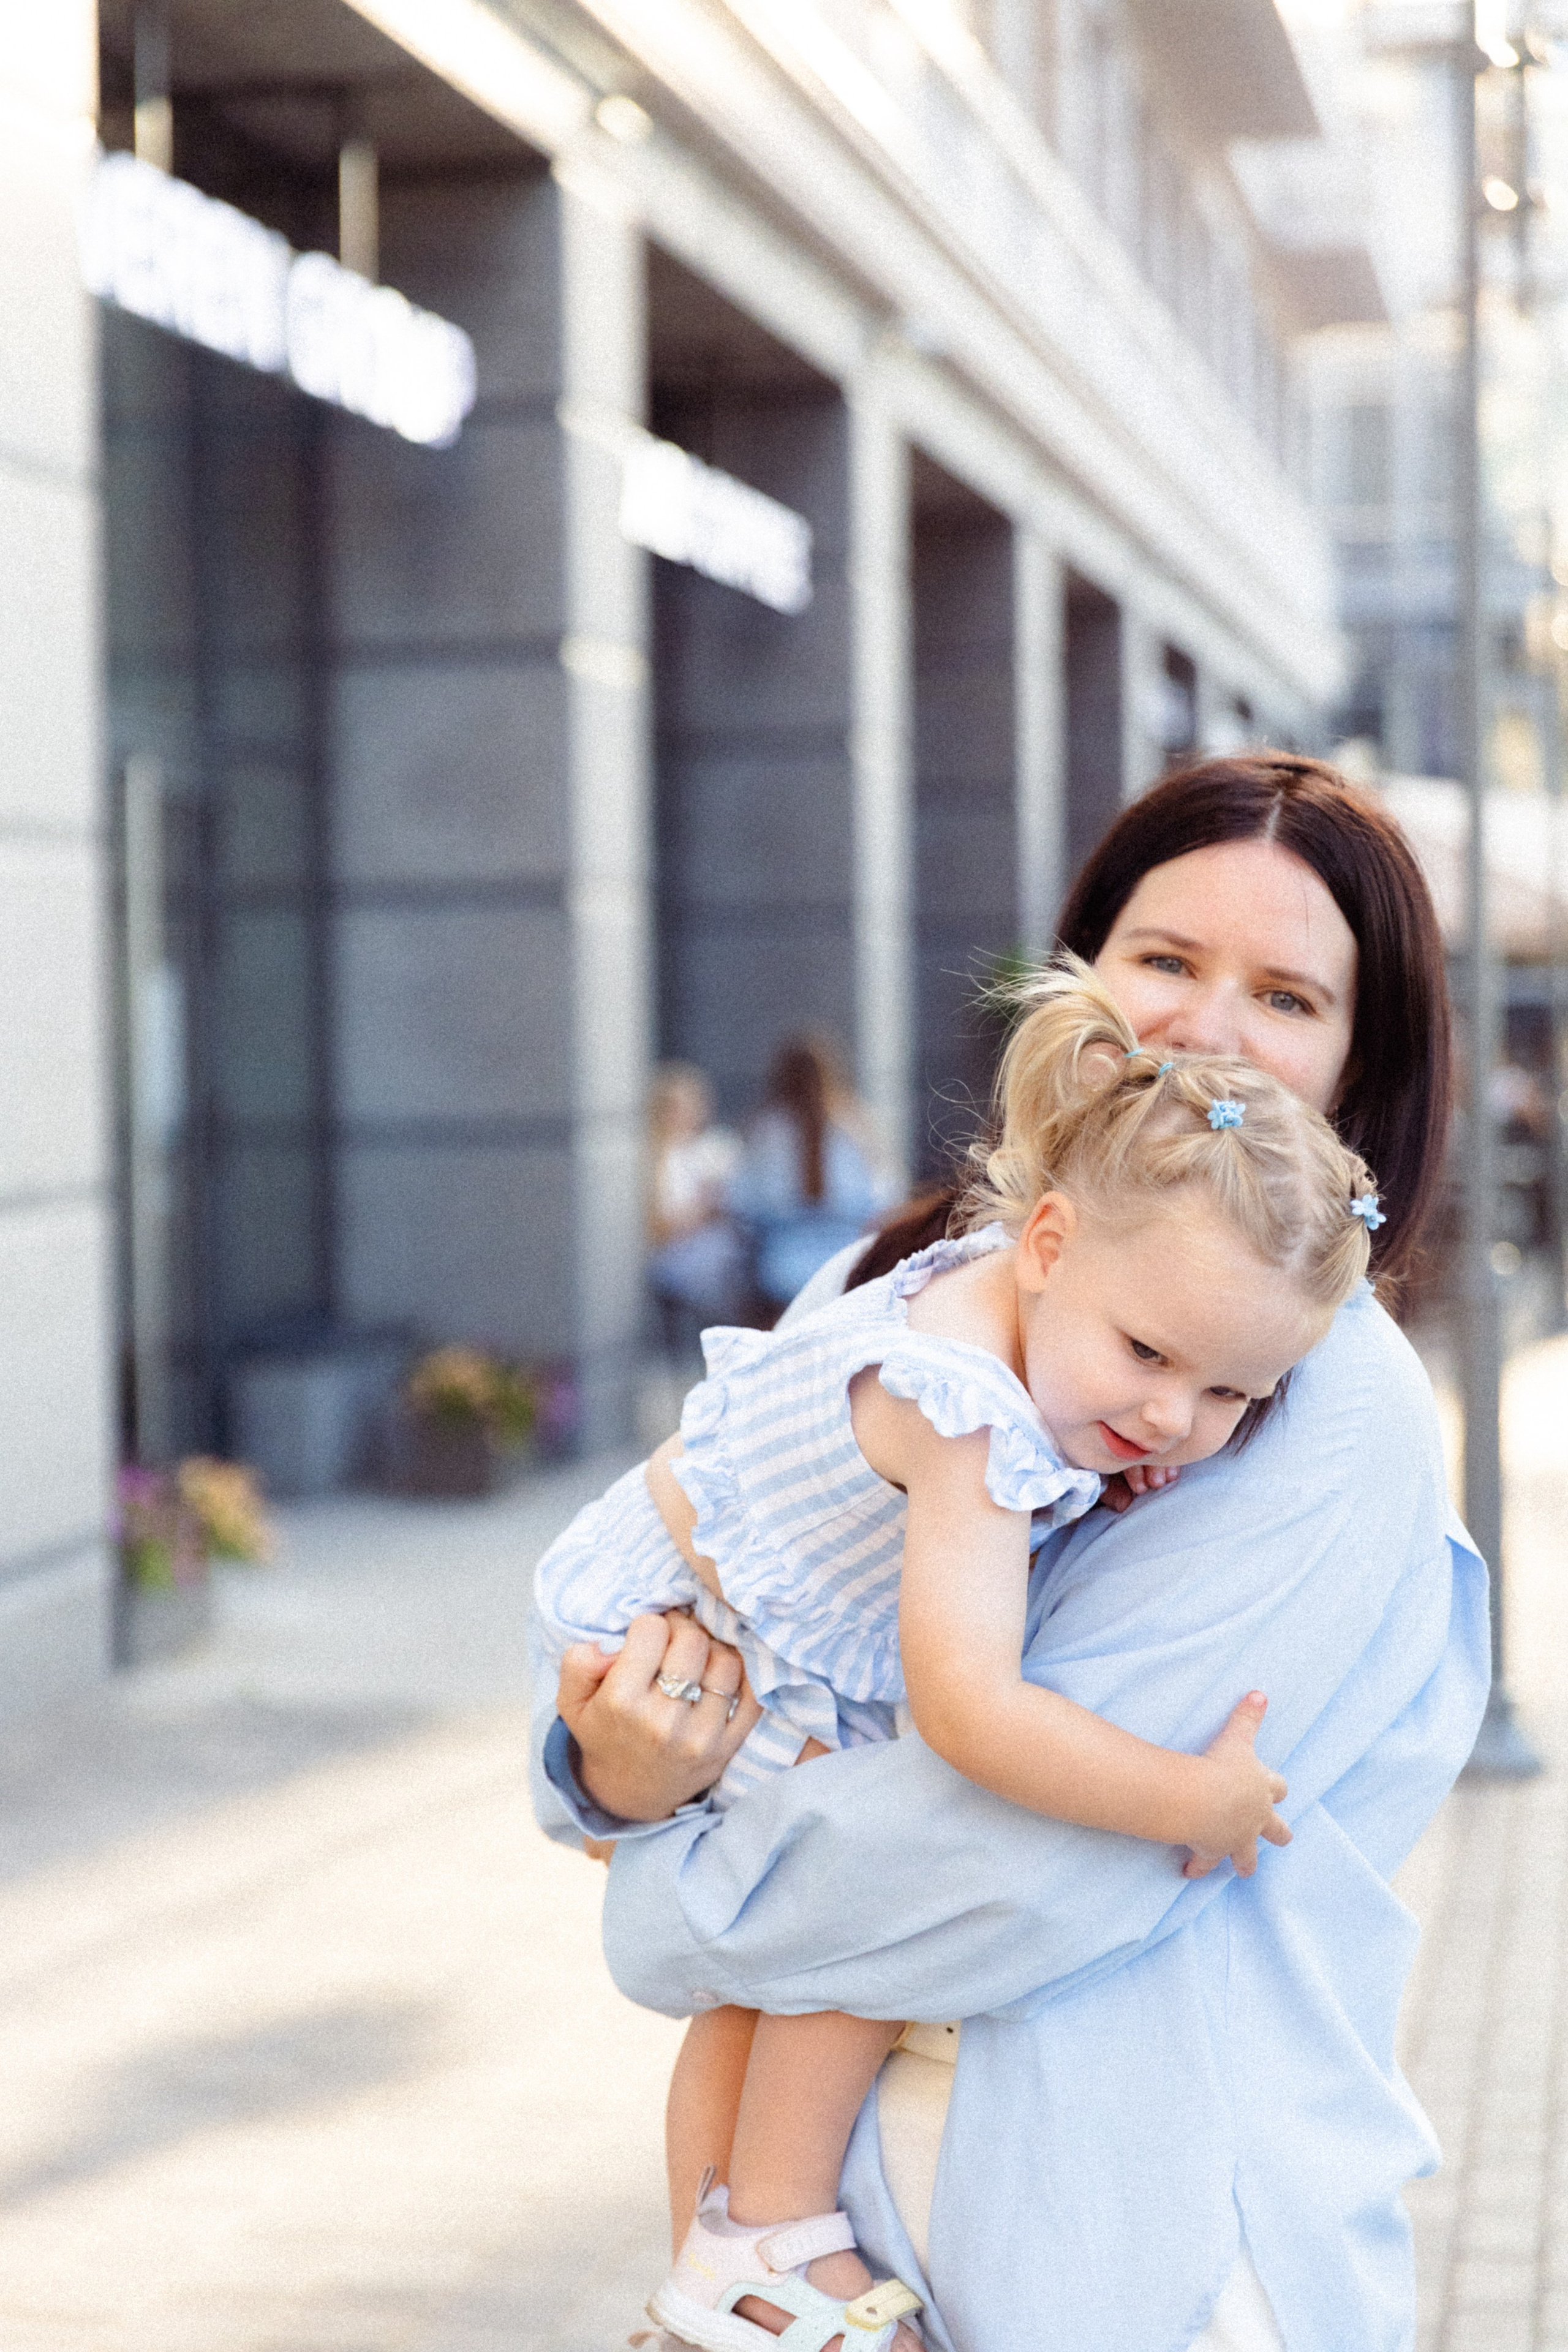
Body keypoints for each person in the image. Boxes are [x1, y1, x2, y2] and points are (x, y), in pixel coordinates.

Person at [531, 753, 1490, 2352]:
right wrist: (618, 1770)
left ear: (1360, 1065)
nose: (1209, 1030)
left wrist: (661, 1905)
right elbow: (669, 1639)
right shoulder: (918, 1280)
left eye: (1289, 997)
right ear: (1087, 975)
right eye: (1167, 962)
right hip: (863, 2229)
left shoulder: (1318, 1400)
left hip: (1134, 2228)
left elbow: (1012, 1860)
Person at [728, 1036, 894, 1314]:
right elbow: (884, 1192)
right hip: (793, 1248)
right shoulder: (770, 1128)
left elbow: (743, 1200)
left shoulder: (851, 1124)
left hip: (836, 1243)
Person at [647, 1064, 746, 1348]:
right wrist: (707, 1210)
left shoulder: (711, 1147)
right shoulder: (657, 1158)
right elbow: (659, 1229)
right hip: (680, 1258)